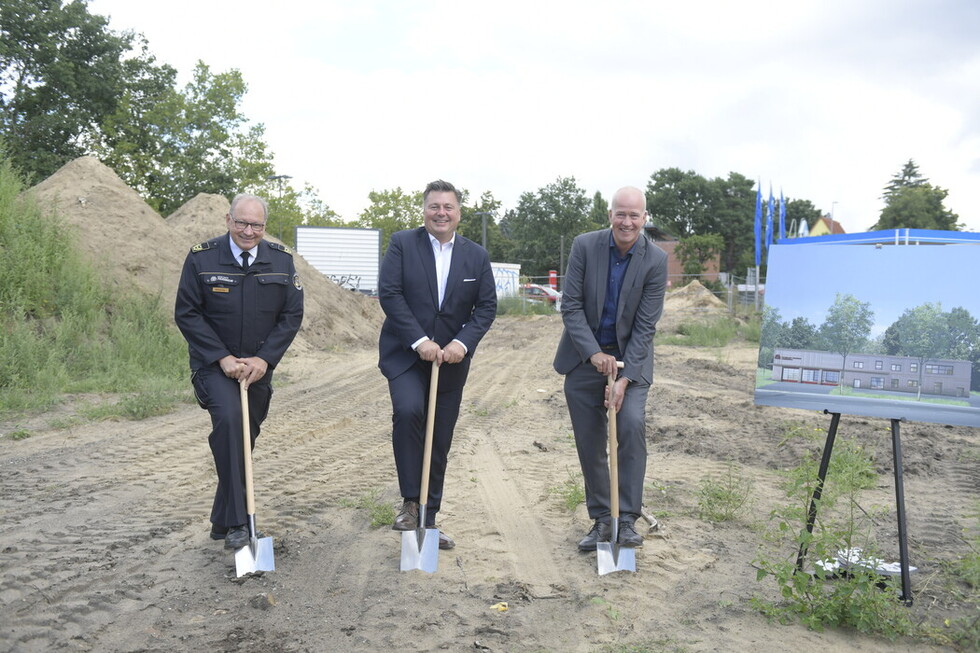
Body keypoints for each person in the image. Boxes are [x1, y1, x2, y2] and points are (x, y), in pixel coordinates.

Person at [174, 194, 303, 550]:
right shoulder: (201, 258)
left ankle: (220, 519)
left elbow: (291, 316)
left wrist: (264, 360)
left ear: (264, 226)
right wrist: (221, 357)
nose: (248, 231)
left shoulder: (280, 261)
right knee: (231, 422)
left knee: (241, 440)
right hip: (214, 367)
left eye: (256, 225)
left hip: (258, 369)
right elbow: (187, 313)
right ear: (228, 220)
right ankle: (238, 525)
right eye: (242, 223)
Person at [378, 179, 497, 550]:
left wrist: (461, 343)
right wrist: (420, 341)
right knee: (410, 411)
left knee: (440, 436)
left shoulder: (476, 255)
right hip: (405, 353)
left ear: (458, 213)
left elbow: (487, 307)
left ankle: (430, 519)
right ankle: (410, 503)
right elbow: (390, 293)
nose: (441, 213)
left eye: (448, 207)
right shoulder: (402, 244)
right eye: (434, 206)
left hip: (451, 361)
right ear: (424, 210)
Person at [553, 186, 668, 552]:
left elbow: (646, 326)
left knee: (630, 426)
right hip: (584, 357)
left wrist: (624, 378)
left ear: (644, 219)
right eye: (621, 213)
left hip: (630, 360)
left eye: (634, 215)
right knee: (590, 440)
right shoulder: (585, 246)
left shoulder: (656, 260)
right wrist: (593, 354)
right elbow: (570, 306)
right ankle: (604, 519)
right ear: (610, 215)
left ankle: (628, 520)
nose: (627, 221)